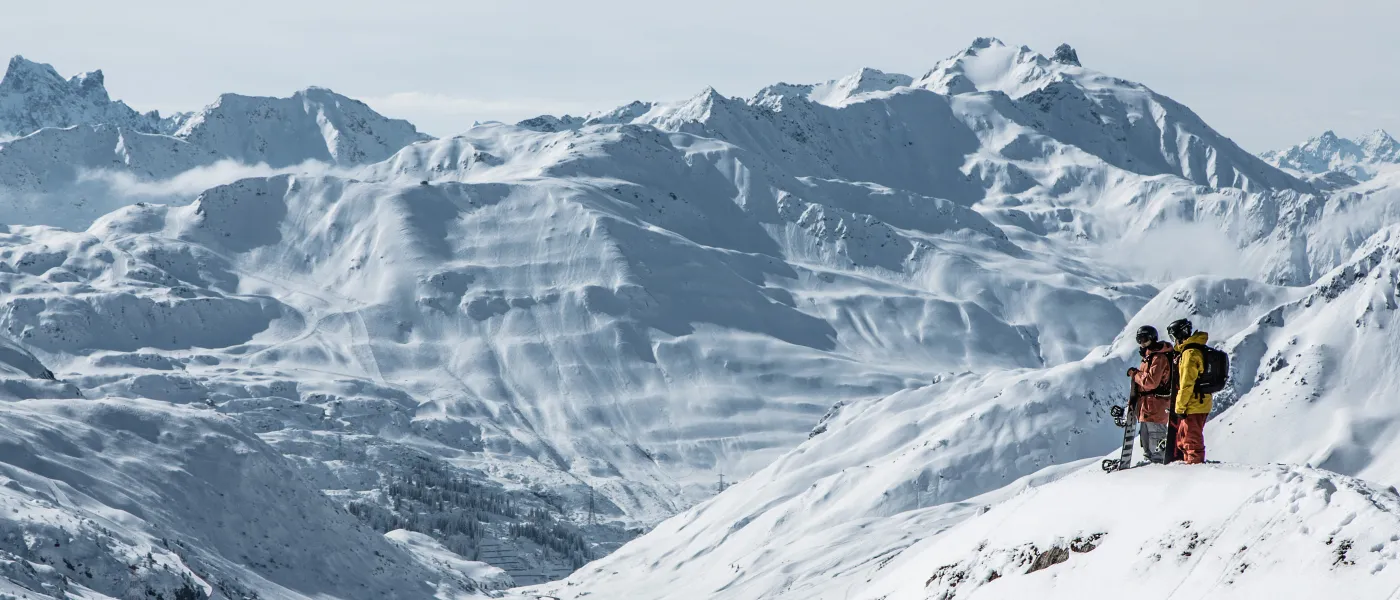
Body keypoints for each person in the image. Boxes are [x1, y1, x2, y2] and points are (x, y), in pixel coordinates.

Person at [1127, 325, 1174, 463]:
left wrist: (1135, 374)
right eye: (1139, 339)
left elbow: (1150, 382)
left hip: (1156, 405)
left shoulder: (1158, 358)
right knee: (1146, 440)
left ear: (1152, 338)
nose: (1142, 342)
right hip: (1147, 407)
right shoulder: (1148, 358)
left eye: (1144, 339)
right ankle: (1150, 466)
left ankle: (1160, 468)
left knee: (1157, 440)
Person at [1167, 318, 1211, 464]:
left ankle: (1194, 470)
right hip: (1197, 401)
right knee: (1183, 437)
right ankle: (1188, 466)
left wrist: (1179, 407)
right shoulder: (1192, 350)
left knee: (1191, 440)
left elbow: (1186, 384)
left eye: (1173, 336)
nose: (1173, 341)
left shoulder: (1189, 353)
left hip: (1194, 402)